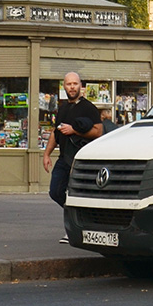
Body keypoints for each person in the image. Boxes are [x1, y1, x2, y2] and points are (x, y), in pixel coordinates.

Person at [43, 72, 103, 241]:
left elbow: (99, 131)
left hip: (80, 159)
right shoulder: (62, 108)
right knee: (56, 191)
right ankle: (80, 220)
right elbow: (56, 133)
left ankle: (73, 230)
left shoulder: (88, 107)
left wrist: (74, 130)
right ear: (64, 86)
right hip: (63, 158)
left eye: (75, 84)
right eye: (69, 84)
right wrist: (46, 154)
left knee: (76, 193)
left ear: (81, 86)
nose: (72, 87)